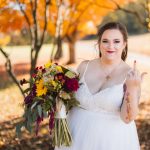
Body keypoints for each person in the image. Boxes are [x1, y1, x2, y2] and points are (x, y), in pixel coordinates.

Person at [55, 22, 147, 150]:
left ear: (124, 44)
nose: (110, 46)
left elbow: (127, 118)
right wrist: (54, 95)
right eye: (105, 41)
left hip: (111, 141)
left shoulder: (131, 76)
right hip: (76, 137)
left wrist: (132, 87)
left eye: (116, 41)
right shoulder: (83, 67)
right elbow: (66, 98)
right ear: (99, 43)